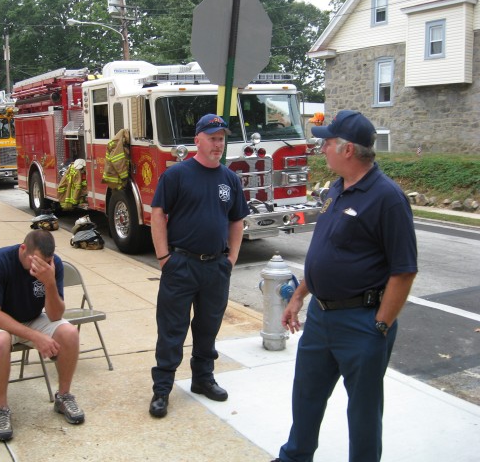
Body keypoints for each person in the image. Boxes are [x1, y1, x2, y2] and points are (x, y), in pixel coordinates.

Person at [272, 110, 418, 462]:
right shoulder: (336, 190)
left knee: (364, 411)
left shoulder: (387, 198)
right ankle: (295, 456)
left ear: (347, 149)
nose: (321, 148)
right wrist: (299, 295)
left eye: (326, 142)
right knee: (306, 394)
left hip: (361, 321)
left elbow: (404, 271)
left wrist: (380, 325)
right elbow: (326, 253)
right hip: (321, 317)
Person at [149, 114, 250, 418]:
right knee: (172, 331)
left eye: (222, 139)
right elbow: (158, 214)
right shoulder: (178, 174)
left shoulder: (229, 179)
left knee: (208, 329)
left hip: (215, 267)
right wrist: (164, 257)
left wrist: (231, 258)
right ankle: (162, 389)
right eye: (212, 138)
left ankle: (202, 379)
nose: (218, 144)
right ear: (198, 140)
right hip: (181, 265)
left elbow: (237, 220)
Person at [0, 229, 84, 441]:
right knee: (1, 340)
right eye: (38, 261)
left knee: (69, 332)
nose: (41, 266)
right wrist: (34, 336)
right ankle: (1, 409)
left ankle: (64, 396)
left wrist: (49, 282)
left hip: (30, 318)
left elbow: (55, 314)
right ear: (23, 250)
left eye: (47, 262)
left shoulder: (53, 265)